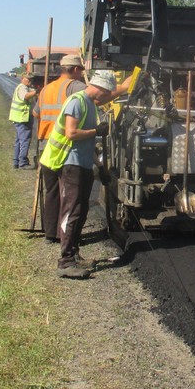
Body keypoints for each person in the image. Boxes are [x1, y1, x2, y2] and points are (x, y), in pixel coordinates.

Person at [40, 70, 117, 279]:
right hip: (68, 162)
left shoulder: (91, 105)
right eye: (106, 92)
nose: (106, 96)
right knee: (71, 211)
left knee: (81, 211)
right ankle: (65, 262)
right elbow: (71, 134)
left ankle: (74, 254)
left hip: (82, 163)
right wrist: (97, 131)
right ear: (98, 87)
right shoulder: (77, 102)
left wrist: (100, 167)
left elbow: (88, 143)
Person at [36, 54, 88, 243]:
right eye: (81, 71)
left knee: (51, 192)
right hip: (63, 147)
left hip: (46, 147)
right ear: (75, 70)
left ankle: (50, 233)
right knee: (68, 195)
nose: (82, 74)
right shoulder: (75, 87)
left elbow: (36, 113)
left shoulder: (45, 89)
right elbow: (95, 97)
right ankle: (63, 235)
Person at [8, 73, 40, 169]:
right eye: (28, 79)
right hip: (22, 118)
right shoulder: (22, 87)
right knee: (24, 140)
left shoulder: (26, 87)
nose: (29, 81)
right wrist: (36, 92)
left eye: (31, 80)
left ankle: (16, 161)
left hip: (20, 117)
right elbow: (25, 96)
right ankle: (23, 162)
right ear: (22, 79)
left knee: (19, 141)